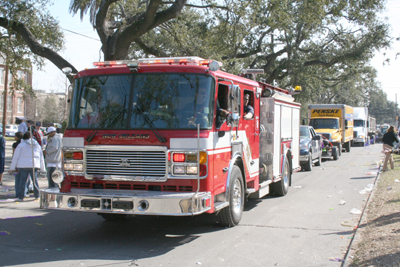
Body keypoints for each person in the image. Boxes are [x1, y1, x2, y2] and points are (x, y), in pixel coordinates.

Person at [9, 131, 46, 201]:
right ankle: (37, 195)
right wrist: (42, 168)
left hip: (23, 165)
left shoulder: (21, 145)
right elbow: (41, 157)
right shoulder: (37, 145)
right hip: (34, 165)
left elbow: (15, 157)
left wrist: (12, 167)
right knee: (35, 180)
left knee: (23, 181)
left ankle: (21, 196)